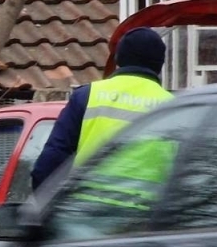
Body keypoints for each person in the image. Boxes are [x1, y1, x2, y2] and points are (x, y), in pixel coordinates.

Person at [31, 27, 173, 190]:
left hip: (86, 203)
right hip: (144, 204)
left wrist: (47, 201)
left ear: (118, 58)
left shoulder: (87, 96)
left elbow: (51, 161)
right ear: (160, 64)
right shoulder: (173, 107)